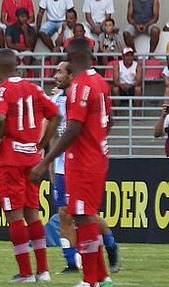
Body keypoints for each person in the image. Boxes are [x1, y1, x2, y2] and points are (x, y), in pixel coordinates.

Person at [30, 38, 113, 287]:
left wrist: (45, 160)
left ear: (73, 57)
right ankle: (100, 276)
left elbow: (73, 128)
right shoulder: (100, 82)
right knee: (81, 214)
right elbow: (109, 120)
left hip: (82, 159)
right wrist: (97, 139)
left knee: (83, 215)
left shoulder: (79, 86)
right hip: (95, 155)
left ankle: (90, 281)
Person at [0, 48, 60, 284]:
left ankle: (26, 272)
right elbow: (56, 115)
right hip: (32, 157)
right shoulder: (34, 88)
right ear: (17, 65)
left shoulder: (1, 90)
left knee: (15, 215)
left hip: (10, 159)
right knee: (33, 213)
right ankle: (44, 270)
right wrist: (41, 143)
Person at [50, 61, 121, 275]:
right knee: (65, 213)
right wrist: (52, 164)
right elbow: (53, 134)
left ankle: (110, 244)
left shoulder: (83, 93)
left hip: (82, 162)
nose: (56, 76)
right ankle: (72, 262)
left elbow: (107, 122)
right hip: (63, 164)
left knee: (84, 214)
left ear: (71, 75)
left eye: (59, 72)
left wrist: (94, 143)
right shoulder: (56, 100)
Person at [112, 47, 143, 114]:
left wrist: (130, 85)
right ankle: (117, 112)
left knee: (138, 89)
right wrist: (122, 85)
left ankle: (136, 112)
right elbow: (115, 80)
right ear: (123, 56)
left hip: (132, 87)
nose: (129, 57)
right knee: (115, 89)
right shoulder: (117, 65)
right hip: (121, 87)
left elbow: (138, 81)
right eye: (127, 55)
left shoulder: (137, 65)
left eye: (131, 55)